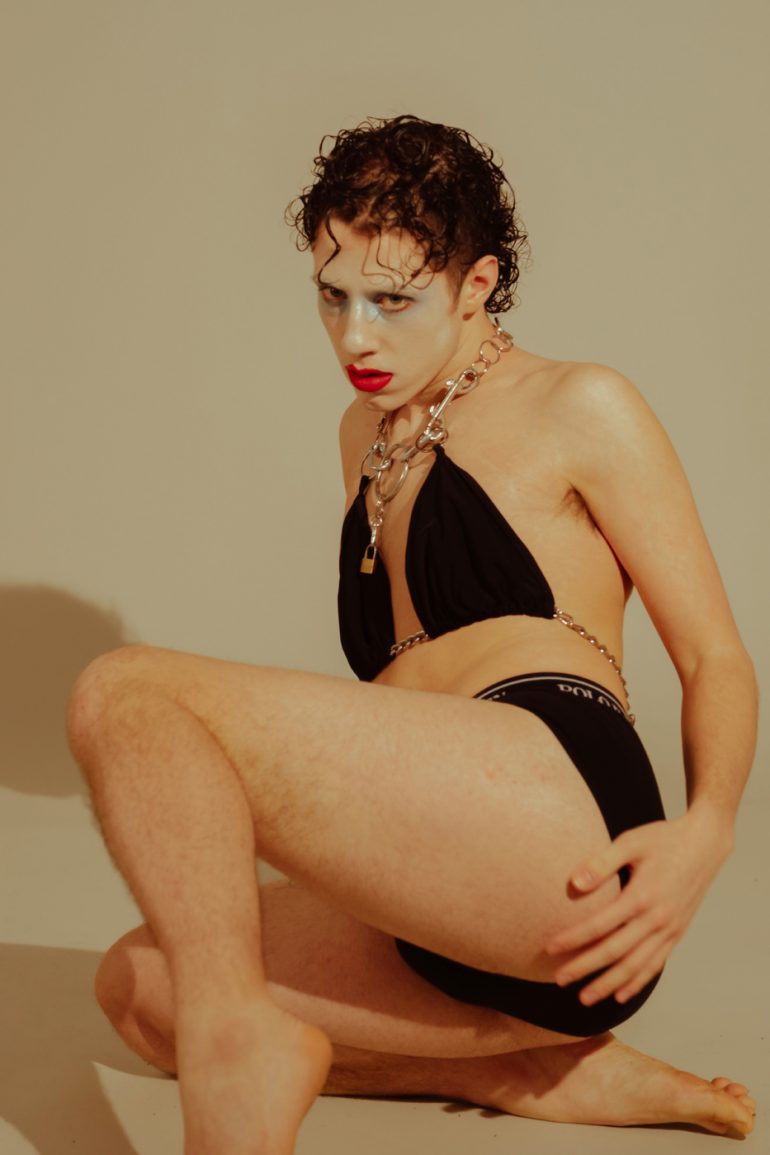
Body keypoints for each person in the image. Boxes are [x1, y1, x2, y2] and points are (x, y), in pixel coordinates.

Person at [68, 115, 757, 1154]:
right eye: (332, 296)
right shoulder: (363, 435)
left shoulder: (580, 404)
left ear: (476, 285)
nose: (355, 337)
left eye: (392, 301)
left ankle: (239, 1047)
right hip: (443, 881)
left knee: (124, 691)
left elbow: (713, 654)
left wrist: (706, 832)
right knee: (140, 988)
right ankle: (523, 1068)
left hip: (560, 827)